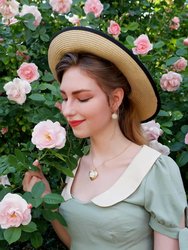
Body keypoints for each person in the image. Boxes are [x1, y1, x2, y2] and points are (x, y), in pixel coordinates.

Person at [22, 26, 188, 250]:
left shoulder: (155, 171)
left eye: (82, 98)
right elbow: (79, 242)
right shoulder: (77, 166)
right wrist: (48, 201)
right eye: (65, 98)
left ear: (115, 99)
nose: (68, 110)